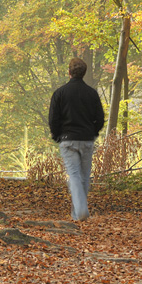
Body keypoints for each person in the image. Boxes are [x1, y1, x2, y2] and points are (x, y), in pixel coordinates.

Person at [48, 58, 105, 221]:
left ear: (69, 72)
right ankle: (78, 211)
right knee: (84, 176)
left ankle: (80, 211)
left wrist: (56, 135)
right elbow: (100, 118)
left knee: (74, 175)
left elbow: (53, 119)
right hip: (87, 139)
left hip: (68, 140)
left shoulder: (60, 93)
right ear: (84, 73)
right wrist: (93, 132)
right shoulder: (92, 94)